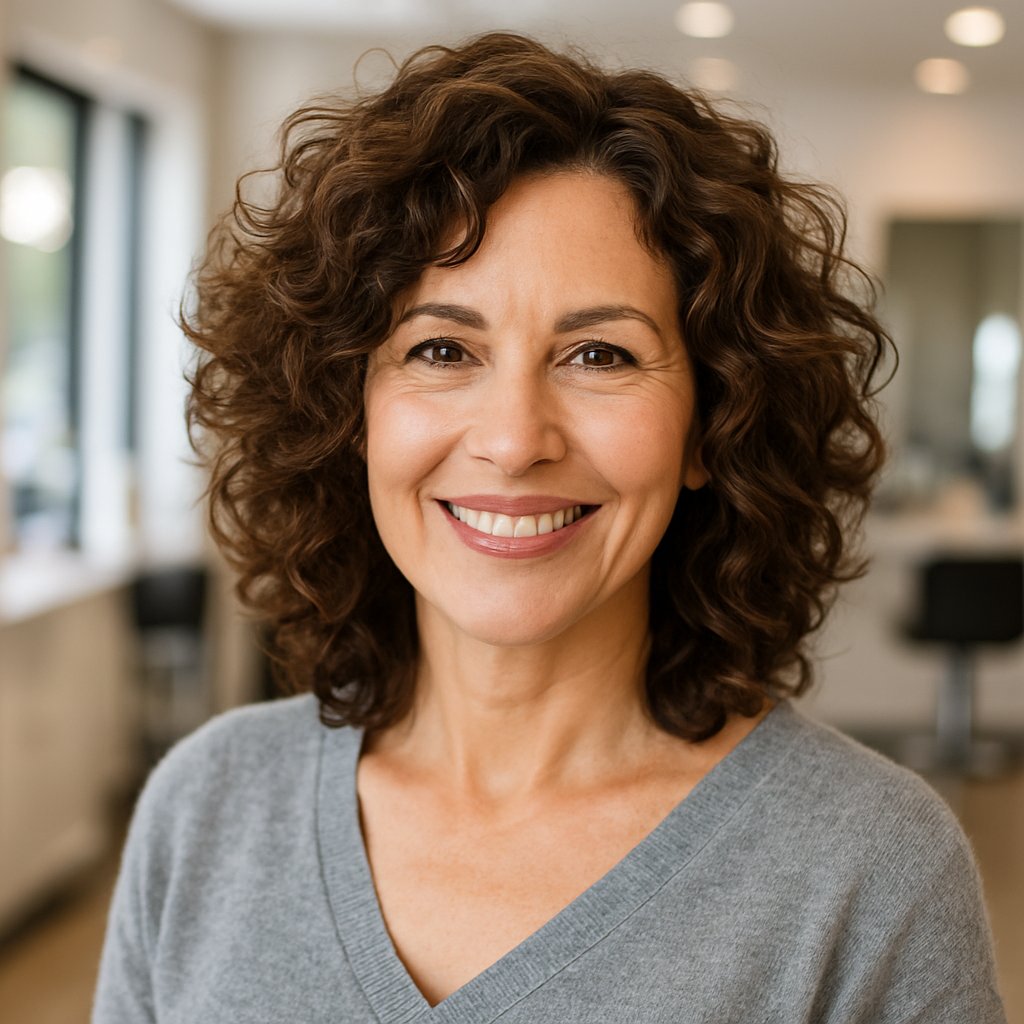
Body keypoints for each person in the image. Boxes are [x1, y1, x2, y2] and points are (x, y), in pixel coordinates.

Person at [93, 32, 1007, 1023]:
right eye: (442, 349)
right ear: (347, 412)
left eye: (601, 355)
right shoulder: (205, 808)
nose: (515, 440)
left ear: (712, 422)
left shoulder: (870, 873)